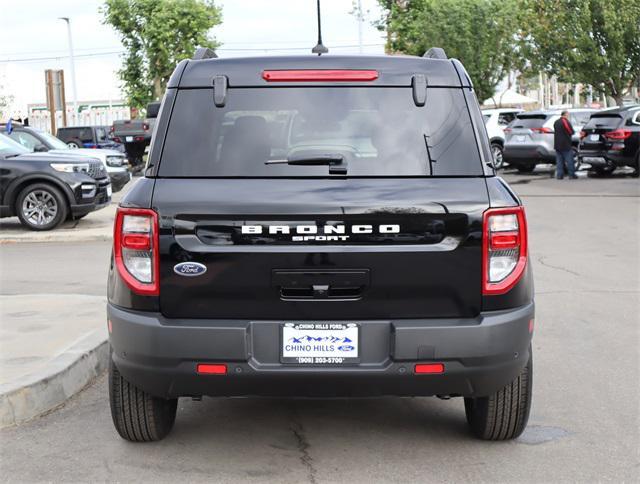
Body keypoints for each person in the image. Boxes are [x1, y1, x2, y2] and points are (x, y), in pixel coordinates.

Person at [553, 111, 577, 179]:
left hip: (557, 144)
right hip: (565, 144)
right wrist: (571, 133)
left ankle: (559, 175)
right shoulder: (565, 121)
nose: (568, 116)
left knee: (559, 161)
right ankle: (571, 174)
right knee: (569, 160)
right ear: (565, 115)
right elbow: (570, 131)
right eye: (568, 115)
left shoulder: (556, 122)